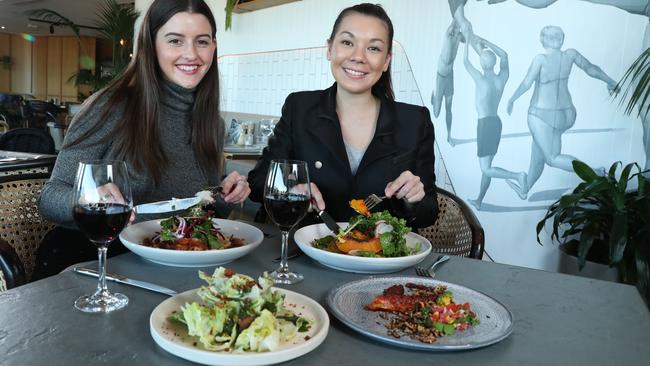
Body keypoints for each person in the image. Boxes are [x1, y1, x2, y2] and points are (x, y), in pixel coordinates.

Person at [34, 0, 250, 279]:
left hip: (173, 269)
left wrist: (227, 195)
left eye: (202, 41)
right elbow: (49, 198)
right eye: (175, 40)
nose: (191, 54)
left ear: (214, 47)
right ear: (151, 45)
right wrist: (89, 198)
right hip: (93, 265)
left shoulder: (211, 123)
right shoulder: (111, 107)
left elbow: (201, 208)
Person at [247, 3, 438, 228]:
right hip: (308, 252)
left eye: (374, 48)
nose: (358, 57)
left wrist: (413, 199)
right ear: (330, 49)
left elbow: (429, 212)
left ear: (386, 61)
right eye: (347, 43)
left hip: (380, 259)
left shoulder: (415, 121)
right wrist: (292, 191)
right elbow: (259, 182)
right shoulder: (299, 107)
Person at [507, 25, 617, 194]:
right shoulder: (570, 55)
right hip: (566, 114)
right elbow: (591, 68)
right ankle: (526, 187)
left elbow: (527, 83)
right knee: (538, 153)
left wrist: (512, 98)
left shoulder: (540, 59)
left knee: (551, 158)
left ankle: (596, 174)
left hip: (541, 114)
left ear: (543, 40)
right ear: (562, 39)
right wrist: (610, 81)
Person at [463, 37, 527, 209]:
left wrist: (468, 42)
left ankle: (518, 175)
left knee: (485, 169)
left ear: (482, 64)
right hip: (496, 123)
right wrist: (486, 43)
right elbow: (504, 55)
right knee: (488, 166)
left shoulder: (480, 79)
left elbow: (465, 61)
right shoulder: (501, 78)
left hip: (484, 125)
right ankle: (479, 200)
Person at [431, 21, 464, 146]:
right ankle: (434, 100)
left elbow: (467, 38)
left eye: (458, 27)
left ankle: (449, 136)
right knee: (436, 113)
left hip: (450, 75)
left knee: (448, 108)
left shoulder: (459, 36)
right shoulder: (448, 35)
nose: (456, 28)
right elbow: (455, 18)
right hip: (441, 76)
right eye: (455, 26)